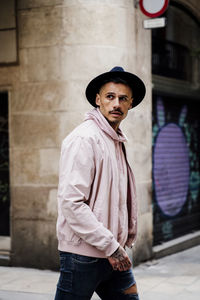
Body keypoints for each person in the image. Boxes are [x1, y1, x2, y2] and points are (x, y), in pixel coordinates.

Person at [54, 66, 146, 300]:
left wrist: (119, 244)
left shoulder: (114, 140)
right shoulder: (85, 138)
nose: (116, 104)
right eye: (110, 97)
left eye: (123, 98)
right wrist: (112, 247)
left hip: (113, 252)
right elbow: (71, 203)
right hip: (83, 256)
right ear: (98, 100)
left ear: (131, 104)